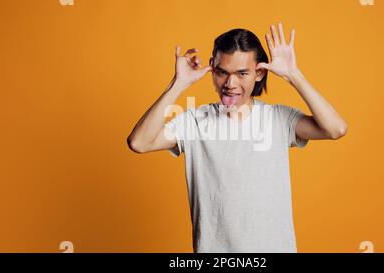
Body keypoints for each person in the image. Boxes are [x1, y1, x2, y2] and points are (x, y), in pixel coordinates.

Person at [127, 22, 348, 253]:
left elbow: (336, 129)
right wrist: (178, 84)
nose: (230, 84)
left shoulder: (279, 119)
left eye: (242, 73)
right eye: (222, 72)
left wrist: (294, 75)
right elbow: (139, 142)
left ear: (259, 73)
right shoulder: (194, 121)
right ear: (213, 70)